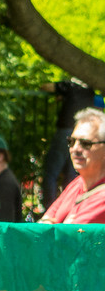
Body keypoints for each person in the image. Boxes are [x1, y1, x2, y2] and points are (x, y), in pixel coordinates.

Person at [39, 108, 105, 224]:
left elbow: (73, 232)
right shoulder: (77, 183)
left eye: (85, 143)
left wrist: (56, 225)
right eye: (71, 142)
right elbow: (43, 225)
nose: (75, 149)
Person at [40, 79, 97, 207]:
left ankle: (49, 208)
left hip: (65, 132)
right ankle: (70, 208)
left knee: (51, 173)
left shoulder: (70, 85)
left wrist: (62, 93)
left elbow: (46, 86)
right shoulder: (90, 90)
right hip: (84, 134)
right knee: (72, 174)